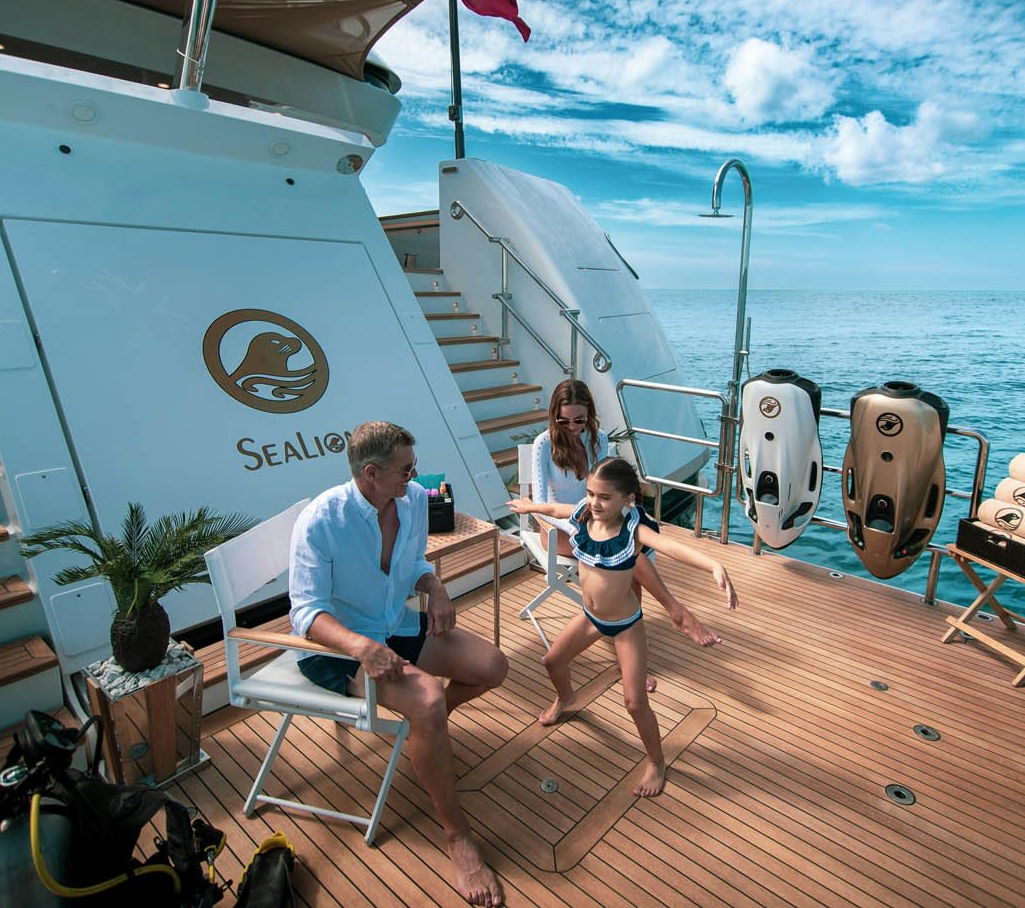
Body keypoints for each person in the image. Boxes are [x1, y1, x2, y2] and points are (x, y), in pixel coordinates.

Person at [289, 421, 509, 907]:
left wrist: (435, 587)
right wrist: (360, 648)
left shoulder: (409, 503)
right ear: (371, 473)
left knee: (492, 665)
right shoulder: (322, 520)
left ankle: (426, 733)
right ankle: (457, 837)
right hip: (336, 650)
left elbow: (414, 565)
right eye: (406, 469)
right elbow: (305, 613)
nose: (415, 476)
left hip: (393, 626)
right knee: (427, 696)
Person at [509, 457, 738, 797]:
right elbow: (558, 510)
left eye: (604, 497)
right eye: (590, 493)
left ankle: (656, 762)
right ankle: (566, 697)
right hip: (591, 618)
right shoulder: (584, 515)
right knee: (552, 662)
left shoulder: (632, 530)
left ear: (627, 499)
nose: (594, 502)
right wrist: (531, 506)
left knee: (634, 703)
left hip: (626, 625)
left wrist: (713, 564)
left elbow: (671, 547)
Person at [530, 380, 723, 663]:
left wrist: (611, 522)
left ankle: (633, 641)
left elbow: (610, 487)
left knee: (628, 556)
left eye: (579, 419)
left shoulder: (599, 438)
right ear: (554, 414)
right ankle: (662, 621)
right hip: (558, 528)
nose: (572, 426)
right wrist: (585, 531)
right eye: (564, 419)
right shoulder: (544, 444)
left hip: (597, 522)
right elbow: (542, 507)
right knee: (627, 557)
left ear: (589, 414)